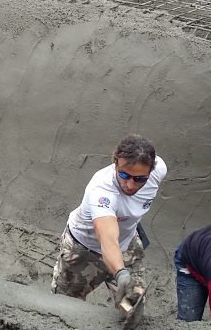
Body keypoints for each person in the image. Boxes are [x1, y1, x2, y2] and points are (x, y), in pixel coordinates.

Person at [52, 134, 167, 312]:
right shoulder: (101, 190)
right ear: (115, 163)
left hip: (127, 242)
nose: (130, 185)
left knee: (132, 306)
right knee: (64, 306)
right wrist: (120, 273)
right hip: (84, 250)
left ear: (151, 171)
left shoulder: (159, 170)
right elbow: (107, 237)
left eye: (139, 179)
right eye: (124, 175)